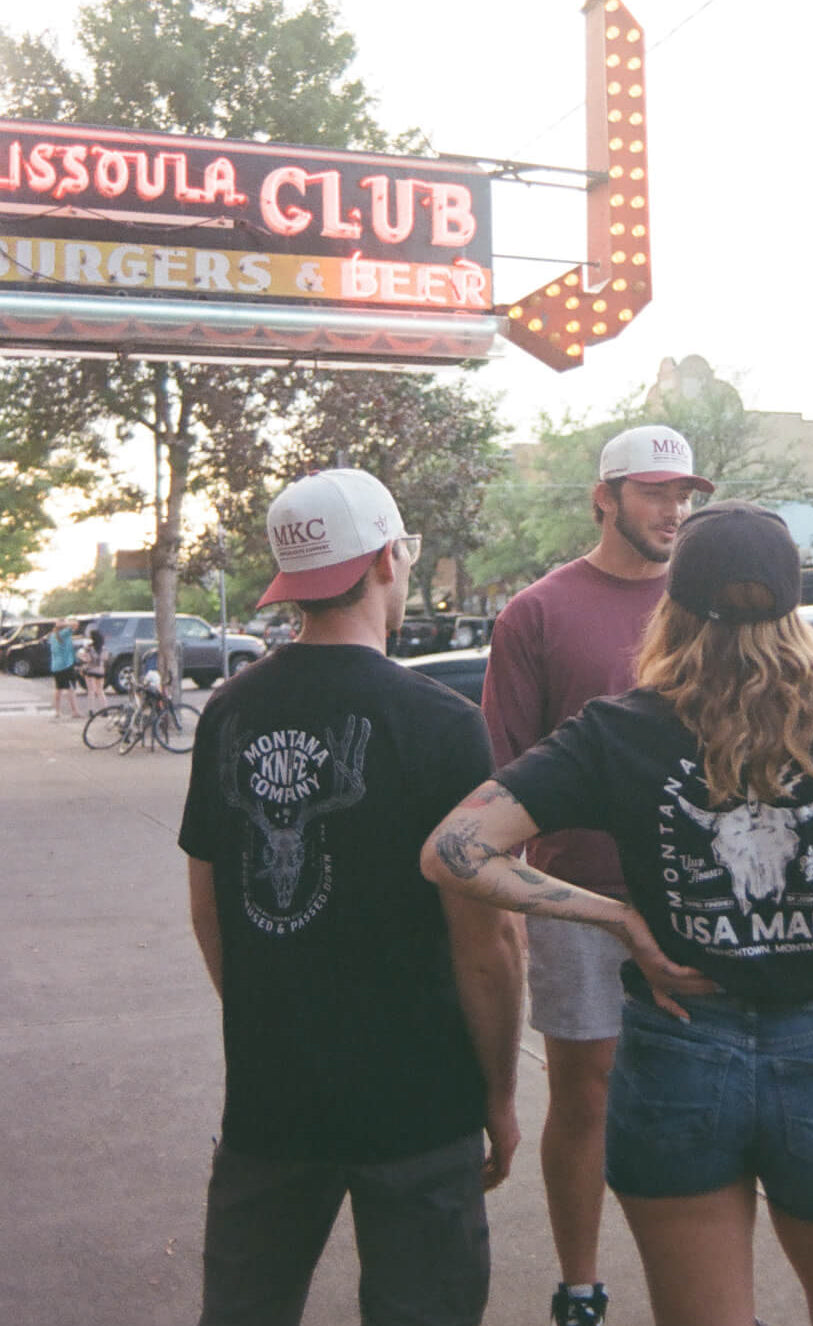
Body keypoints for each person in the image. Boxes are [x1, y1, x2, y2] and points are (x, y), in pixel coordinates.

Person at [425, 500, 813, 1326]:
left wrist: (617, 919)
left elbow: (453, 848)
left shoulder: (620, 733)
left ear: (674, 606)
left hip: (677, 1053)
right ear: (794, 607)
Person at [178, 469, 525, 1326]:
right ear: (383, 560)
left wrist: (270, 1014)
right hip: (421, 1104)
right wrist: (500, 1096)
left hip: (270, 1100)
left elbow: (210, 902)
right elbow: (488, 944)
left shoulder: (229, 712)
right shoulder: (442, 723)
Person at [479, 424, 712, 1326]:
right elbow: (506, 769)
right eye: (655, 492)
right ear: (604, 498)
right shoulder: (536, 612)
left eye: (684, 494)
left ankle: (698, 1290)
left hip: (699, 895)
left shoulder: (705, 608)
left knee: (701, 1092)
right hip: (582, 899)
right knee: (587, 1091)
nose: (673, 510)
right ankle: (580, 1287)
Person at [49, 617, 82, 719]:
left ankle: (57, 711)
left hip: (56, 665)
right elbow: (75, 624)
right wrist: (68, 622)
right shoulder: (64, 633)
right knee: (70, 688)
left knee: (58, 689)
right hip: (66, 664)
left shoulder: (53, 636)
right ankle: (75, 711)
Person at [78, 628, 109, 708]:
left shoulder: (89, 648)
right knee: (100, 691)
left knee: (91, 691)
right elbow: (105, 658)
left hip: (90, 671)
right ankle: (104, 709)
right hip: (100, 671)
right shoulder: (103, 648)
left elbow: (87, 659)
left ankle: (91, 709)